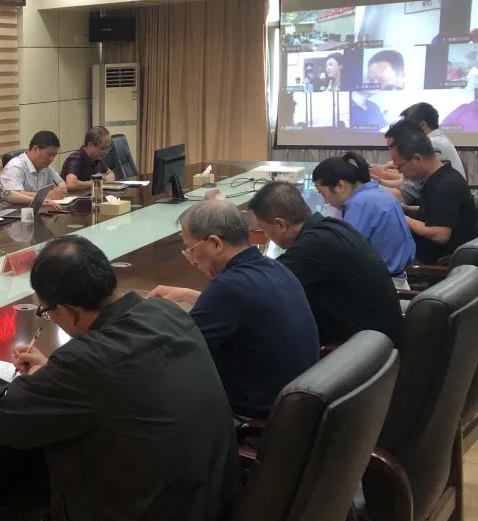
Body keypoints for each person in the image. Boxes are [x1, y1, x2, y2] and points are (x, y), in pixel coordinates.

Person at [0, 236, 239, 521]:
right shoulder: (166, 314)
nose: (49, 318)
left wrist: (0, 383)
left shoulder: (87, 361)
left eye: (46, 311)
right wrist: (54, 376)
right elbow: (116, 385)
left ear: (68, 311)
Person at [148, 201, 320, 418]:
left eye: (190, 250)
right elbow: (245, 310)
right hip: (297, 409)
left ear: (215, 243)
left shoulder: (227, 287)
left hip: (255, 418)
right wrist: (187, 295)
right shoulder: (275, 268)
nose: (191, 261)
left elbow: (176, 353)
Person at [249, 181, 404, 347]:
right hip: (379, 342)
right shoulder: (332, 227)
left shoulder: (313, 246)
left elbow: (261, 288)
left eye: (263, 229)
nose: (265, 235)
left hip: (361, 350)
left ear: (281, 225)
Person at [312, 152, 415, 288]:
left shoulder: (360, 203)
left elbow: (344, 253)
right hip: (395, 279)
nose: (325, 201)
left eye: (323, 194)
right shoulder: (375, 192)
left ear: (340, 186)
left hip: (384, 286)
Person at [388, 126, 478, 263]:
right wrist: (407, 209)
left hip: (438, 263)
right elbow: (438, 211)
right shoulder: (441, 176)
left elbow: (440, 234)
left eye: (400, 166)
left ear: (417, 159)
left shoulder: (446, 185)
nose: (400, 173)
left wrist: (401, 217)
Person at [0, 130, 66, 208]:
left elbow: (61, 183)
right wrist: (48, 195)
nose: (52, 159)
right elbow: (12, 194)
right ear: (35, 149)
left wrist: (61, 189)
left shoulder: (45, 167)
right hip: (12, 212)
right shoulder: (15, 166)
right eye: (49, 155)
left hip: (34, 210)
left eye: (54, 156)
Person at [401, 102, 466, 179]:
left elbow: (415, 178)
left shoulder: (433, 143)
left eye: (410, 128)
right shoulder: (439, 139)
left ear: (423, 125)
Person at [60, 126, 116, 193]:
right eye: (103, 148)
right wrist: (96, 182)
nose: (106, 152)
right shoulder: (75, 159)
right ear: (90, 145)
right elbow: (71, 184)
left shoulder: (97, 158)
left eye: (108, 148)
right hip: (75, 198)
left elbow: (110, 173)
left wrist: (108, 179)